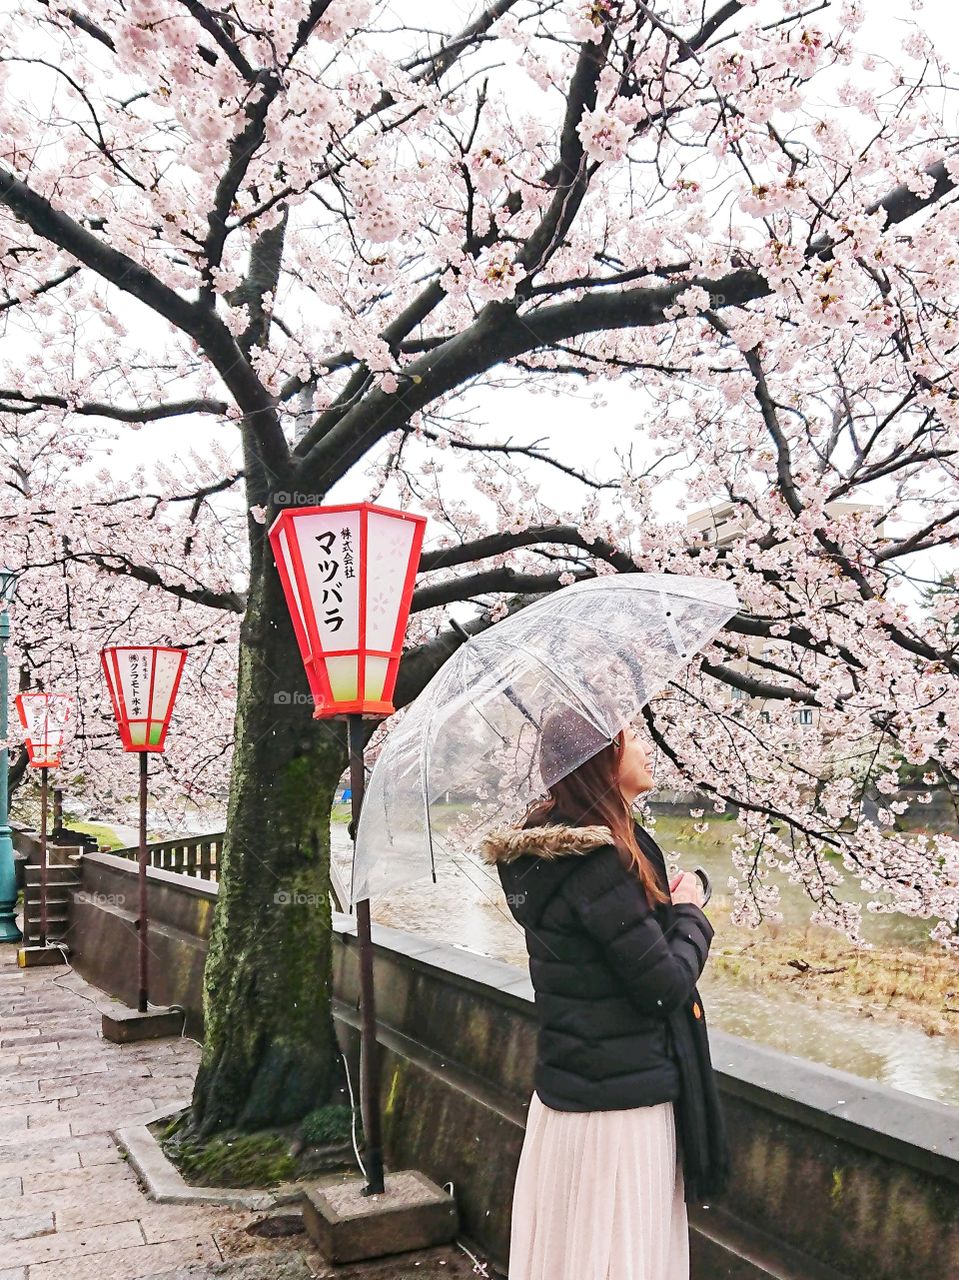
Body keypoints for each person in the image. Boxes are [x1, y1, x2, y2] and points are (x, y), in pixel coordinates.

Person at [479, 710, 730, 1280]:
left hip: (570, 1093)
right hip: (621, 1107)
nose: (644, 747)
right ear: (605, 761)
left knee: (576, 1253)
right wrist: (690, 912)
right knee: (620, 1254)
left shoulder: (546, 859)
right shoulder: (597, 865)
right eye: (630, 737)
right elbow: (664, 986)